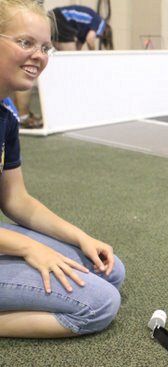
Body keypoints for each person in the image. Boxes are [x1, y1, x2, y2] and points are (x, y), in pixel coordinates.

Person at [0, 0, 125, 338]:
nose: (39, 56)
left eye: (45, 47)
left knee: (110, 270)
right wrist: (28, 248)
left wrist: (80, 237)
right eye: (25, 42)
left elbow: (16, 200)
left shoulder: (7, 113)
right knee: (99, 305)